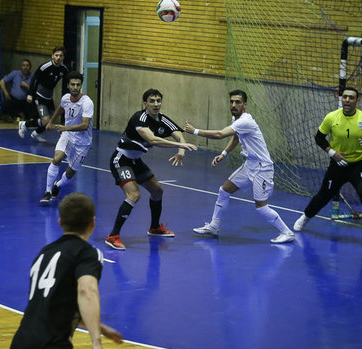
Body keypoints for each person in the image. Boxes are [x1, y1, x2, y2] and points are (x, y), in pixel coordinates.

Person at [8, 193, 123, 349]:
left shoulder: (44, 253)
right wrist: (96, 341)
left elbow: (53, 306)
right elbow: (87, 291)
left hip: (21, 347)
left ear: (60, 222)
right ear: (92, 223)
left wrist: (100, 327)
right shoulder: (87, 253)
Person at [184, 89, 296, 244]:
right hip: (250, 164)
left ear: (245, 105)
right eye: (231, 101)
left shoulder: (246, 120)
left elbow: (220, 134)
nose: (234, 105)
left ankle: (287, 232)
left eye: (237, 102)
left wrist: (195, 131)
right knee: (224, 191)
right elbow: (236, 137)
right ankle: (214, 226)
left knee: (261, 207)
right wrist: (223, 153)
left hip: (262, 169)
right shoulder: (236, 119)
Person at [105, 88, 198, 251]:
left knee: (157, 191)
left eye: (158, 101)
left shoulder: (162, 119)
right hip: (121, 159)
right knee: (134, 195)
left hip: (135, 160)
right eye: (152, 101)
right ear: (145, 103)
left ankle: (154, 228)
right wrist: (179, 145)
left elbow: (178, 134)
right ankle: (113, 236)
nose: (156, 104)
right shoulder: (139, 118)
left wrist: (181, 151)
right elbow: (152, 139)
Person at [293, 87, 362, 244]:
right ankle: (305, 218)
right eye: (345, 97)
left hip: (358, 166)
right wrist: (331, 153)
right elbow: (319, 138)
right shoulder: (331, 117)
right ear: (342, 99)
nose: (347, 100)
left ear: (357, 101)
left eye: (351, 98)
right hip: (337, 165)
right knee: (323, 195)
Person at [40, 71, 94, 203]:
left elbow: (85, 125)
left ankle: (57, 186)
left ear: (81, 86)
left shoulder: (87, 103)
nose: (75, 87)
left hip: (82, 142)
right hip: (67, 136)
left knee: (70, 173)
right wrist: (51, 121)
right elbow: (60, 108)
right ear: (68, 85)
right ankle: (47, 192)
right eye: (73, 84)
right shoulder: (65, 98)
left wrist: (65, 127)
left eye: (78, 85)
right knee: (56, 159)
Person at [18, 46, 69, 143]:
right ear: (52, 56)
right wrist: (30, 94)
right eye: (56, 55)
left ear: (63, 58)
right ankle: (25, 124)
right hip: (39, 96)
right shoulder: (45, 67)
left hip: (49, 97)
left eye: (60, 56)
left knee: (51, 119)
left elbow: (68, 81)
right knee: (45, 120)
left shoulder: (64, 69)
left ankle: (36, 133)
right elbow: (34, 79)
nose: (58, 57)